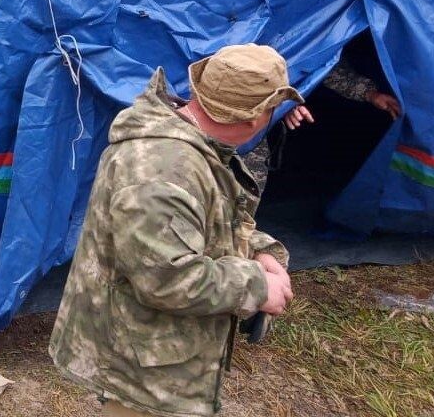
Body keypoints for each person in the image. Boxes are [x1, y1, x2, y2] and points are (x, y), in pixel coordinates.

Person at [49, 44, 298, 417]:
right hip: (143, 373)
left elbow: (206, 221)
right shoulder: (164, 170)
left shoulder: (197, 147)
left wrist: (259, 251)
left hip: (158, 354)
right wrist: (257, 286)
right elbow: (166, 277)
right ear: (255, 119)